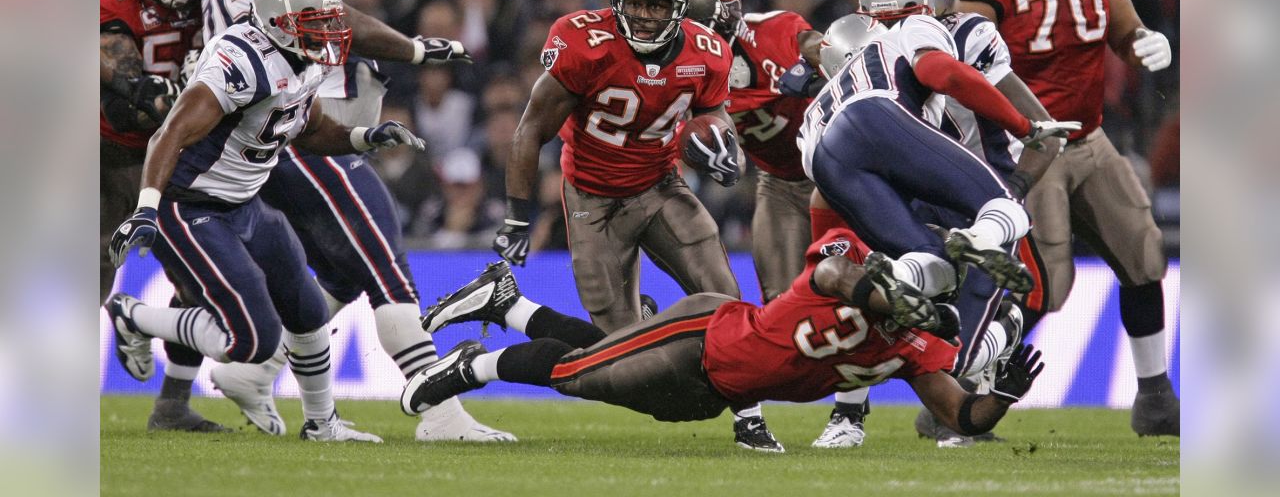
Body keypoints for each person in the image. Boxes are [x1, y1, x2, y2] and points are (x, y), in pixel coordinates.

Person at [195, 0, 513, 443]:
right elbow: (331, 15)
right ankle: (438, 412)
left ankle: (254, 369)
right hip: (301, 132)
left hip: (259, 143)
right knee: (389, 271)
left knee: (344, 270)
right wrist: (412, 49)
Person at [105, 0, 418, 443]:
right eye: (315, 23)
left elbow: (309, 129)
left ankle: (322, 424)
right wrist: (146, 207)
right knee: (252, 341)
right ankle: (134, 314)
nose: (330, 33)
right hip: (190, 206)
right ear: (278, 21)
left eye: (330, 20)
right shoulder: (241, 61)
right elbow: (169, 134)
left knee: (309, 309)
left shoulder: (301, 58)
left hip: (243, 203)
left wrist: (365, 136)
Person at [493, 0, 783, 451]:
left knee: (724, 295)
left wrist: (719, 144)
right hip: (592, 198)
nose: (646, 18)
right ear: (617, 1)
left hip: (659, 185)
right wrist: (518, 215)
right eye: (637, 4)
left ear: (680, 8)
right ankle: (519, 310)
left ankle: (750, 420)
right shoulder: (584, 42)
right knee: (625, 355)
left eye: (657, 6)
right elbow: (529, 129)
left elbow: (714, 116)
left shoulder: (707, 51)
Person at [403, 230, 1044, 444]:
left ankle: (509, 305)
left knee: (593, 368)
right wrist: (902, 301)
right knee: (578, 376)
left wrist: (1002, 398)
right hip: (702, 335)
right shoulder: (847, 270)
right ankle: (470, 368)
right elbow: (834, 271)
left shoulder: (911, 350)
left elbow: (962, 414)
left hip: (714, 392)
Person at [943, 0, 1179, 436]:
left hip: (1090, 134)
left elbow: (1123, 27)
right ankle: (961, 396)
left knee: (1144, 255)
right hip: (1026, 145)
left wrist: (1145, 43)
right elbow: (973, 67)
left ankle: (1154, 397)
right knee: (1045, 285)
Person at [797, 0, 1080, 305]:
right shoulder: (915, 30)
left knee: (930, 266)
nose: (891, 27)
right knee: (1002, 226)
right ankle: (976, 330)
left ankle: (899, 285)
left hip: (828, 156)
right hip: (908, 155)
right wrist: (1023, 129)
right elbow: (943, 73)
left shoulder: (845, 53)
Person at [685, 0, 871, 449]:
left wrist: (817, 72)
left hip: (836, 178)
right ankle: (750, 421)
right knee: (778, 306)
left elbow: (821, 45)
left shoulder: (776, 30)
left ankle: (850, 413)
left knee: (848, 290)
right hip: (779, 183)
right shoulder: (682, 66)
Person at [99, 0, 225, 433]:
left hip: (181, 154)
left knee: (205, 276)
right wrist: (162, 94)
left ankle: (172, 404)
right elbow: (127, 90)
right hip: (111, 151)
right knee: (90, 271)